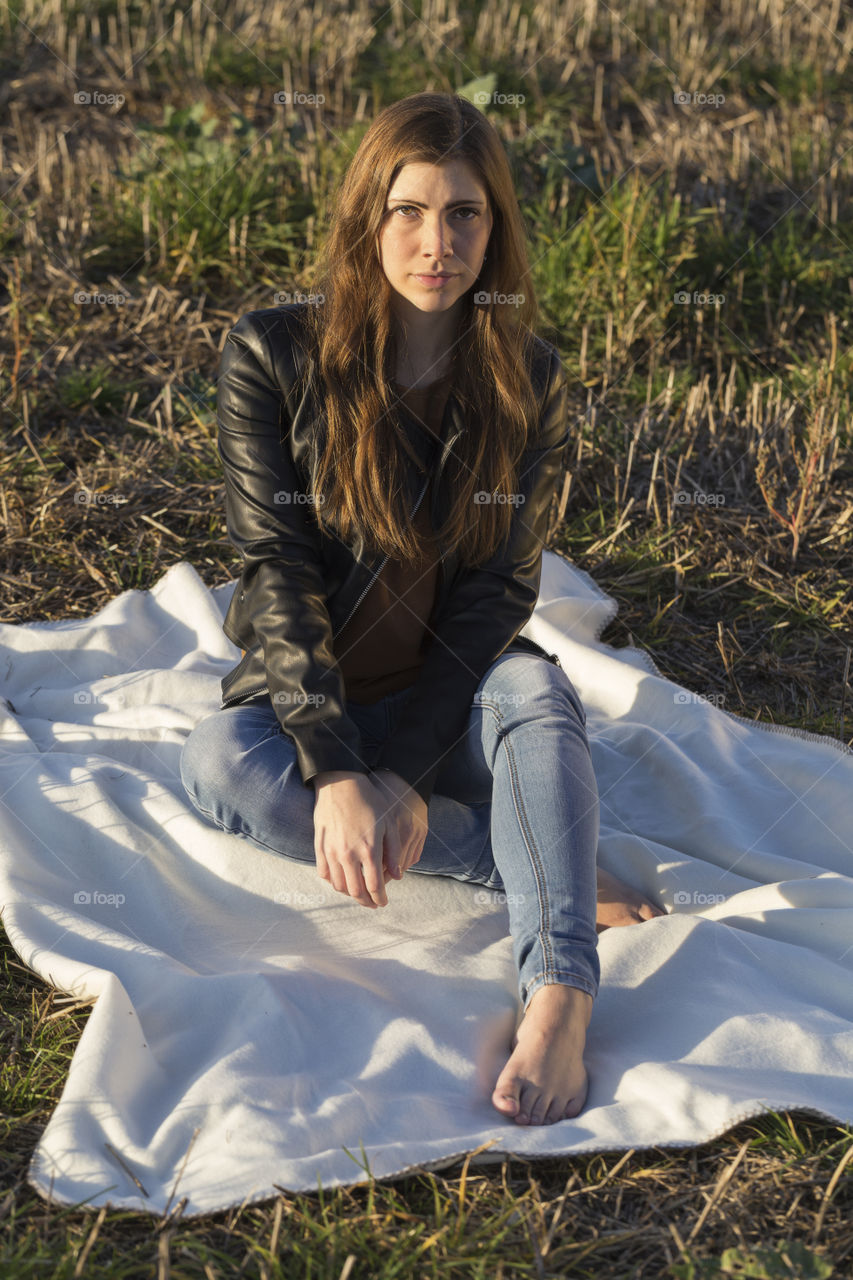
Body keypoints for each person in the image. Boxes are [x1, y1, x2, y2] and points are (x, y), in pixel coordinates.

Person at [181, 91, 663, 1128]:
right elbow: (277, 564)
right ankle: (542, 856)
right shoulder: (271, 354)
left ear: (496, 229)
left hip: (456, 701)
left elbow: (499, 593)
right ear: (368, 215)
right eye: (407, 209)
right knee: (222, 768)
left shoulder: (526, 378)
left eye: (464, 214)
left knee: (536, 688)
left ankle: (562, 994)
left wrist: (404, 771)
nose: (434, 242)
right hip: (313, 699)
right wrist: (341, 766)